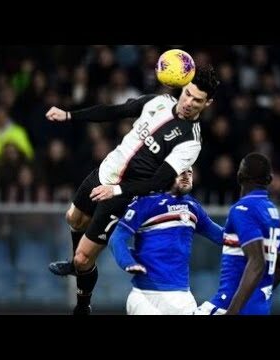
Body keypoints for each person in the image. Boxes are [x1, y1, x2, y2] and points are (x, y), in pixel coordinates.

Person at [47, 64, 220, 315]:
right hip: (105, 171)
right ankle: (77, 265)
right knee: (73, 218)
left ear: (208, 103)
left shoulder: (191, 142)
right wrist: (69, 115)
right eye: (188, 94)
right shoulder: (158, 102)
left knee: (84, 258)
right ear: (182, 88)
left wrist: (116, 191)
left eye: (198, 100)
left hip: (124, 193)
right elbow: (114, 111)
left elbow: (157, 182)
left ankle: (83, 304)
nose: (189, 102)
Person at [109, 167, 224, 315]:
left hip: (183, 297)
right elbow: (116, 239)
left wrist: (253, 232)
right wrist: (128, 263)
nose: (187, 176)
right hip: (147, 296)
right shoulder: (145, 202)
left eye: (190, 173)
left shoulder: (193, 206)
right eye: (181, 172)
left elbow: (221, 236)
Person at [195, 153, 280, 315]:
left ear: (239, 176)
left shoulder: (242, 209)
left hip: (228, 306)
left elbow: (257, 261)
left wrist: (234, 310)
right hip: (259, 309)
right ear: (269, 179)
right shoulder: (272, 213)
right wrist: (258, 296)